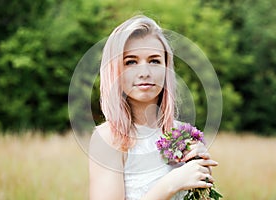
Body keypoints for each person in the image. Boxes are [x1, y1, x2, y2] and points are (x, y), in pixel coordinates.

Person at [89, 15, 218, 200]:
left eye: (155, 61)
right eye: (131, 62)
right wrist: (171, 184)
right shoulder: (109, 138)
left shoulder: (182, 133)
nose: (145, 73)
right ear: (114, 71)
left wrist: (202, 171)